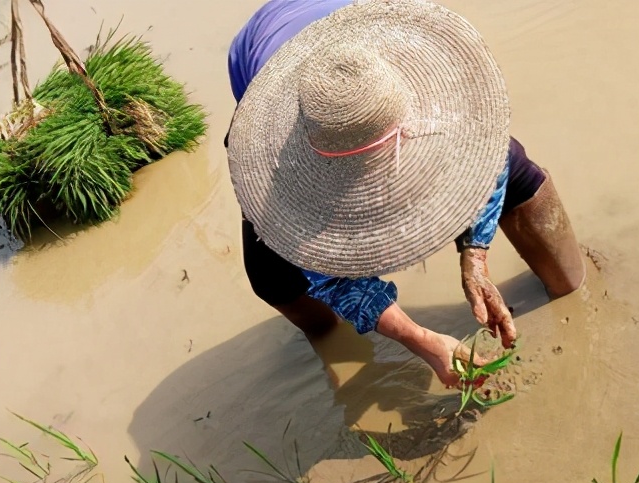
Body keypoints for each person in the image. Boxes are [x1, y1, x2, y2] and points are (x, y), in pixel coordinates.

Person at [227, 0, 586, 388]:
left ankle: (571, 283)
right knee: (274, 276)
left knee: (514, 173)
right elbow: (326, 273)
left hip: (368, 47)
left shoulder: (433, 88)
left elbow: (488, 157)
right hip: (273, 70)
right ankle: (333, 342)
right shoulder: (281, 158)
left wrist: (475, 256)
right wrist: (424, 341)